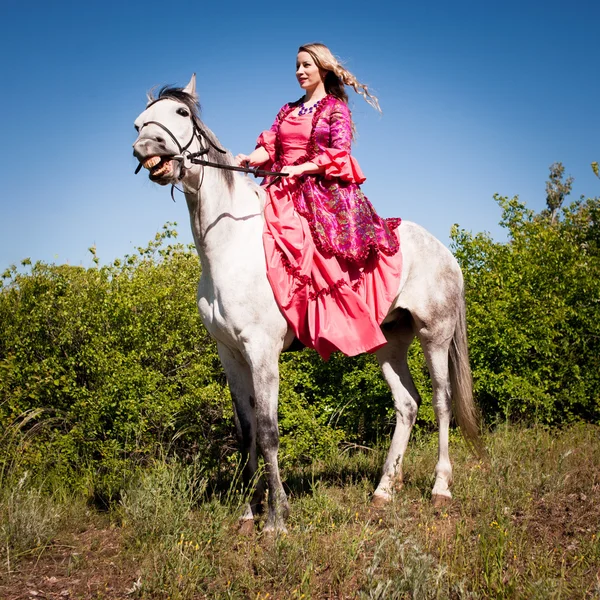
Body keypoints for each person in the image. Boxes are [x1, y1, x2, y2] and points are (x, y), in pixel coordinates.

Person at [235, 43, 402, 361]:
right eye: (297, 66)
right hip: (280, 186)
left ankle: (319, 322)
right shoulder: (288, 110)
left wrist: (300, 167)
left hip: (319, 190)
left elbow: (338, 154)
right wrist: (248, 158)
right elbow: (270, 148)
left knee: (309, 245)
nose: (299, 71)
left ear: (322, 69)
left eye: (306, 65)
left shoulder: (335, 109)